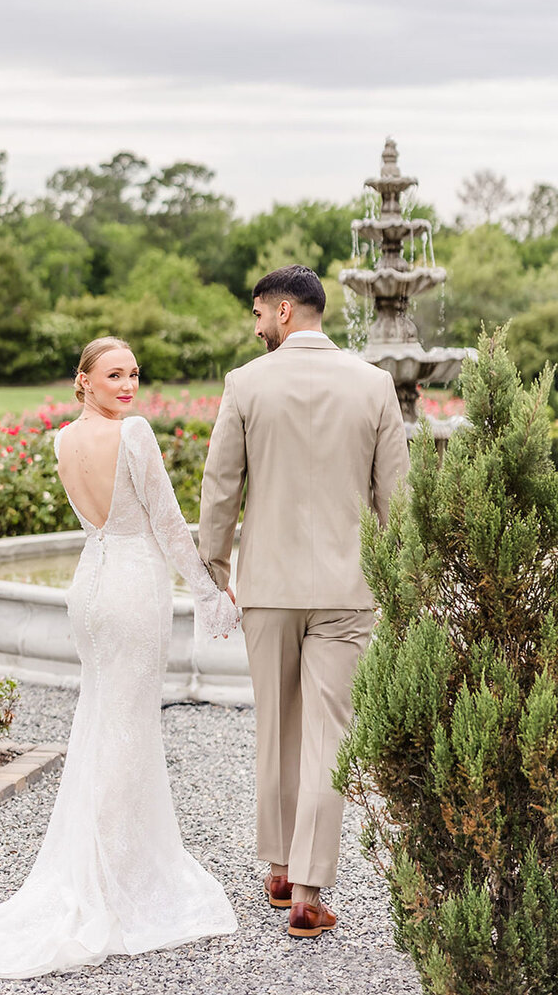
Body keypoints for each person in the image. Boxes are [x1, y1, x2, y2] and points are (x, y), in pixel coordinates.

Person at [0, 336, 239, 979]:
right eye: (114, 374)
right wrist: (213, 595)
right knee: (128, 728)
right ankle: (108, 881)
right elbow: (168, 527)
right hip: (133, 589)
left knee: (103, 722)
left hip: (88, 586)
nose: (129, 385)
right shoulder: (134, 435)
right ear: (83, 380)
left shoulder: (60, 440)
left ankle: (106, 864)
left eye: (134, 374)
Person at [198, 266, 409, 939]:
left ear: (284, 311)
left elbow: (220, 486)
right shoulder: (375, 384)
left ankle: (281, 867)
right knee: (327, 734)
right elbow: (397, 499)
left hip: (268, 584)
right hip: (348, 589)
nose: (256, 325)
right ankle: (309, 892)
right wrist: (399, 582)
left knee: (277, 728)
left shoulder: (246, 383)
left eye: (259, 312)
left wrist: (215, 568)